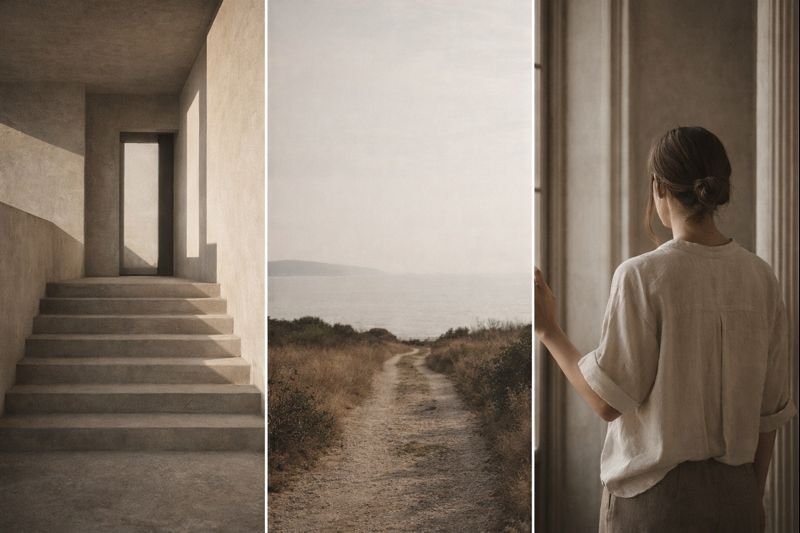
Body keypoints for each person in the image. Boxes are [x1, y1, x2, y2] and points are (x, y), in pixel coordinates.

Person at [534, 126, 797, 532]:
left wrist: (548, 330)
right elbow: (769, 415)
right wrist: (752, 499)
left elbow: (607, 402)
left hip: (655, 506)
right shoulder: (762, 277)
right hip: (738, 498)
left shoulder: (642, 275)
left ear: (658, 186)